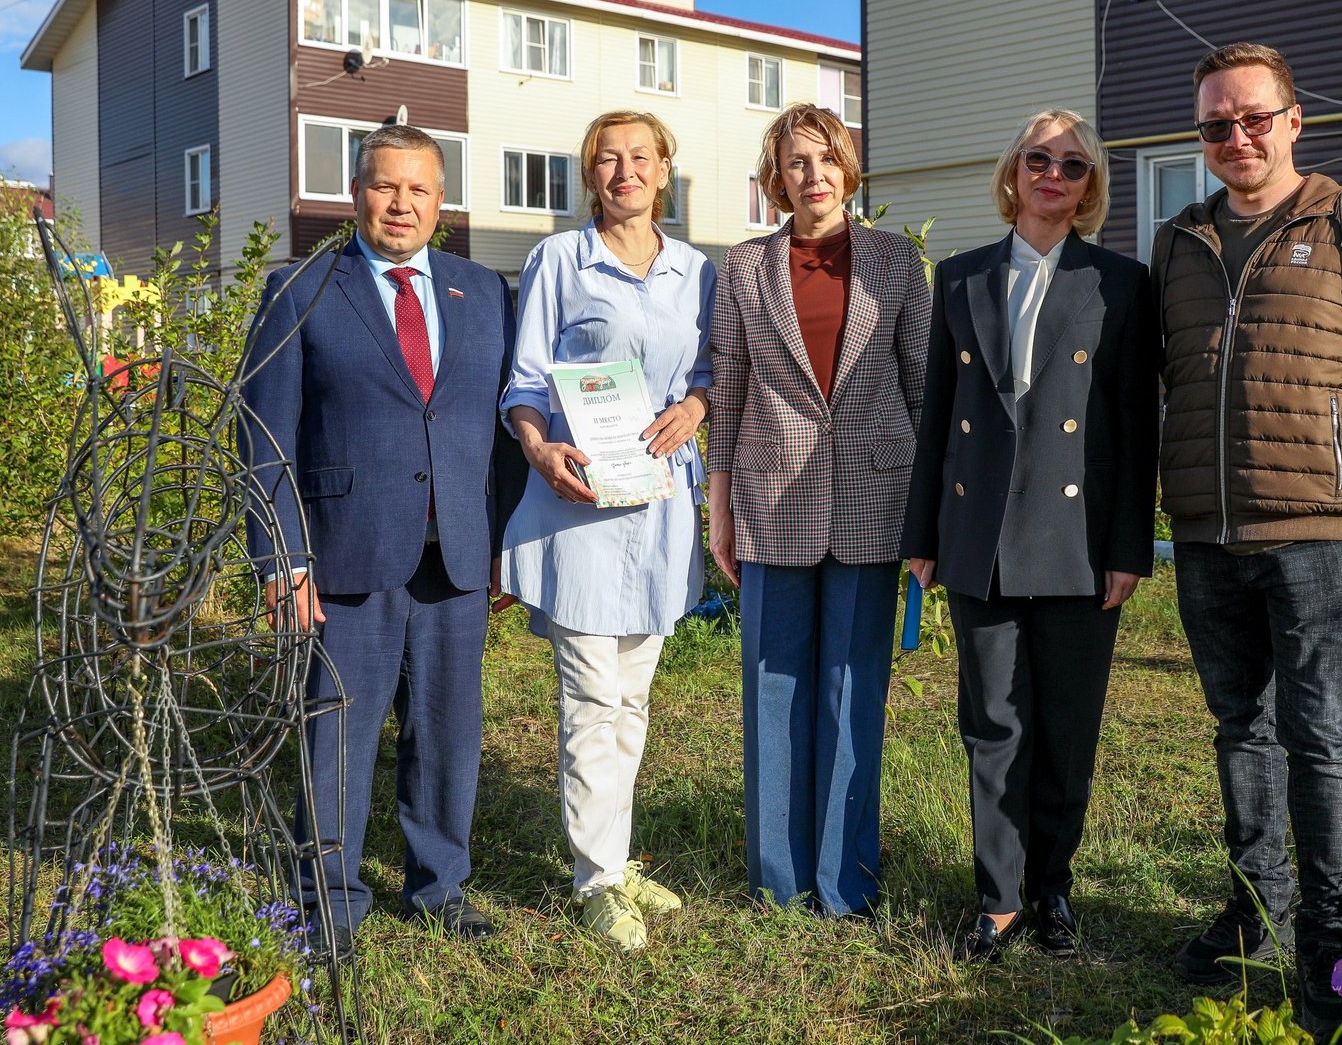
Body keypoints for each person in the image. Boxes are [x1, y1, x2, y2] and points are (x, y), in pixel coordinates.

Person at [1151, 42, 1342, 1036]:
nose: (1235, 137)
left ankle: (1328, 933)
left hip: (1314, 534)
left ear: (1292, 118)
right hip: (1202, 529)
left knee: (1317, 735)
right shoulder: (1177, 238)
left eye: (1252, 118)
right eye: (1215, 125)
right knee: (1241, 730)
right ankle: (1254, 906)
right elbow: (1166, 376)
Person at [241, 124, 528, 959]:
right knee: (336, 734)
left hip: (457, 559)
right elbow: (264, 434)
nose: (401, 204)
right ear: (355, 191)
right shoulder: (299, 289)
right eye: (384, 186)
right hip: (341, 557)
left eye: (420, 190)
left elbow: (506, 434)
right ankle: (327, 904)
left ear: (442, 202)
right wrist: (282, 559)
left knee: (446, 735)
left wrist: (505, 541)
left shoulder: (486, 291)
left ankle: (439, 888)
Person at [901, 109, 1160, 963]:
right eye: (1039, 159)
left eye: (1074, 166)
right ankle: (1000, 898)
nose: (1055, 174)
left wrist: (1129, 546)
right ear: (1013, 171)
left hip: (1080, 539)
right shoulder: (963, 277)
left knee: (1068, 726)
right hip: (979, 534)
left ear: (1091, 189)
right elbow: (937, 414)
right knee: (993, 725)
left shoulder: (1119, 283)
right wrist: (924, 532)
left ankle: (1054, 889)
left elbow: (1134, 426)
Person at [707, 104, 929, 917]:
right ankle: (778, 881)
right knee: (773, 690)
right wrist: (719, 508)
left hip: (876, 498)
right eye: (797, 163)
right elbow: (728, 389)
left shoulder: (895, 261)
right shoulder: (743, 266)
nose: (815, 176)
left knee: (851, 688)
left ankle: (846, 884)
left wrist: (927, 517)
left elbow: (924, 387)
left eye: (828, 159)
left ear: (850, 168)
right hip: (771, 502)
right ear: (776, 180)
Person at [498, 110, 714, 951]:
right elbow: (522, 383)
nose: (623, 172)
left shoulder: (698, 271)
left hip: (659, 509)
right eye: (606, 160)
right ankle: (595, 883)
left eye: (639, 158)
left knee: (632, 702)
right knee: (591, 700)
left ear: (665, 171)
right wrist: (538, 446)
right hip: (580, 508)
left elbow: (707, 375)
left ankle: (615, 863)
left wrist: (696, 406)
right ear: (592, 176)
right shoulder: (559, 259)